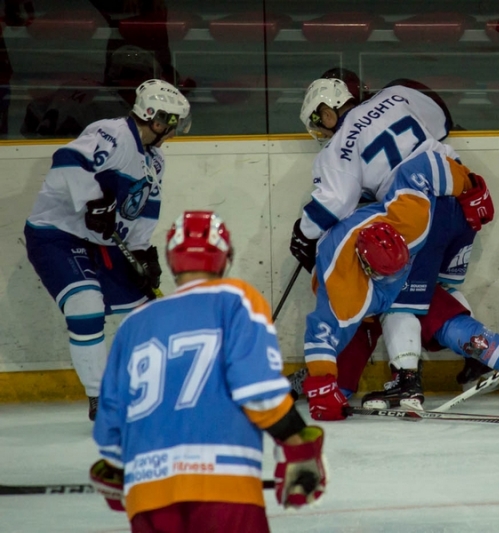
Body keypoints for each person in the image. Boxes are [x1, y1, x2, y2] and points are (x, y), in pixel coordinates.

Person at [90, 210, 327, 532]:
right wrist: (298, 447)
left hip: (148, 495)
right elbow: (256, 388)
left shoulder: (134, 323)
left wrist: (119, 469)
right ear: (225, 258)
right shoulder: (235, 299)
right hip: (224, 489)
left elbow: (110, 426)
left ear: (172, 262)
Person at [302, 149, 499, 421]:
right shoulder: (342, 289)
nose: (392, 279)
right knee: (346, 372)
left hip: (417, 255)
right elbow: (320, 333)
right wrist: (321, 383)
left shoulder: (408, 220)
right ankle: (406, 378)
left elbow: (424, 165)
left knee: (444, 321)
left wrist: (470, 185)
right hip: (363, 300)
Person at [293, 72, 496, 404]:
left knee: (399, 298)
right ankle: (475, 361)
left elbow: (335, 201)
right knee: (438, 289)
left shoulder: (340, 143)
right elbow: (441, 122)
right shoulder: (398, 95)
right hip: (462, 198)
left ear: (328, 110)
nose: (323, 130)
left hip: (418, 211)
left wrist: (303, 233)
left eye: (320, 120)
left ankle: (407, 381)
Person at [23, 79, 190, 421]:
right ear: (154, 118)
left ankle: (155, 388)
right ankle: (101, 399)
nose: (174, 131)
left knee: (147, 315)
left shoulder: (155, 161)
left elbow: (142, 211)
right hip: (57, 234)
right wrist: (94, 201)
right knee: (85, 306)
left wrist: (142, 254)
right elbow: (68, 159)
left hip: (102, 242)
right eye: (171, 122)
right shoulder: (111, 133)